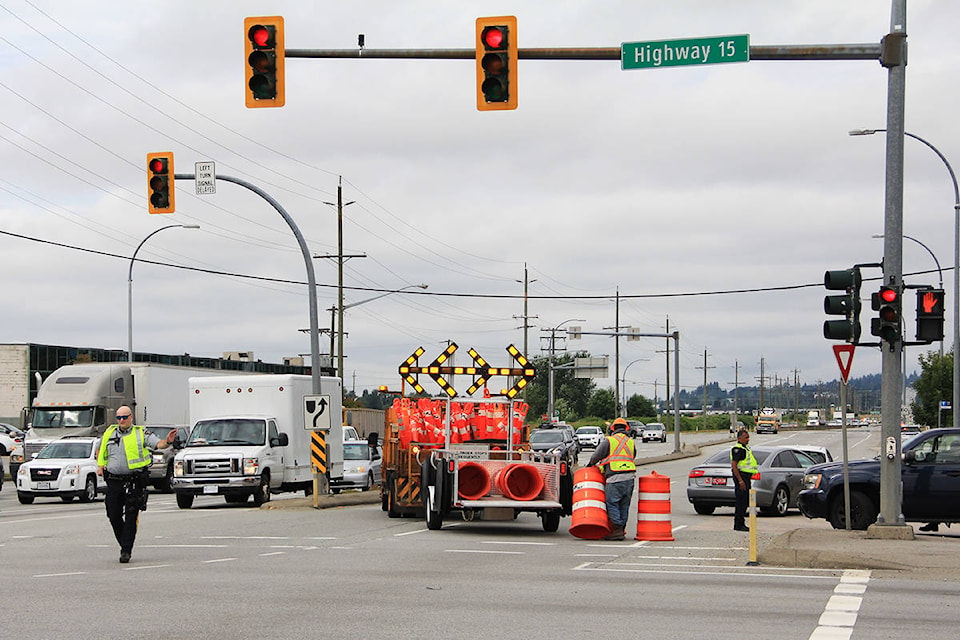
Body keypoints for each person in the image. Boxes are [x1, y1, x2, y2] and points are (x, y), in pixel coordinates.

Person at [97, 406, 175, 563]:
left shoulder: (141, 433)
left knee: (132, 515)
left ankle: (126, 550)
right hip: (113, 481)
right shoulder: (110, 432)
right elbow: (101, 449)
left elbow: (158, 444)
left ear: (131, 417)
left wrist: (167, 441)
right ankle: (124, 541)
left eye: (124, 417)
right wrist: (100, 465)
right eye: (118, 418)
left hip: (133, 480)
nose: (121, 421)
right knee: (113, 515)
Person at [587, 417, 637, 541]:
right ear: (626, 428)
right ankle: (621, 529)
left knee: (612, 503)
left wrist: (590, 464)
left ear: (612, 428)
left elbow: (597, 455)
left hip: (614, 477)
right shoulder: (630, 442)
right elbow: (633, 455)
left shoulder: (609, 441)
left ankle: (617, 530)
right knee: (624, 504)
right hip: (630, 477)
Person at [731, 428, 757, 532]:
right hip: (741, 477)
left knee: (745, 501)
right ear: (740, 438)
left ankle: (741, 523)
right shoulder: (738, 449)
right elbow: (734, 465)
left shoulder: (745, 448)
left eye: (748, 437)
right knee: (741, 502)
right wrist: (740, 480)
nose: (748, 439)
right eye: (746, 437)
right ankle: (738, 524)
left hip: (746, 477)